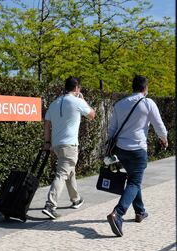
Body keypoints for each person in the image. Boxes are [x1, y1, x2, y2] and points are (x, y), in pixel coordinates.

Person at [106, 75, 168, 237]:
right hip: (138, 150)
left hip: (121, 149)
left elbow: (111, 129)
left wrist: (109, 148)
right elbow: (159, 126)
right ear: (145, 88)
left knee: (133, 178)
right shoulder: (148, 103)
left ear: (132, 87)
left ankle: (140, 211)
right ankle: (118, 214)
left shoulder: (120, 104)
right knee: (134, 181)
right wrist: (164, 140)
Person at [42, 76, 96, 219]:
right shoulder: (77, 102)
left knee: (69, 171)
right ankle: (50, 205)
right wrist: (83, 99)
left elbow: (46, 123)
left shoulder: (54, 103)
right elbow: (92, 115)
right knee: (62, 174)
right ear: (77, 88)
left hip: (56, 145)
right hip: (70, 145)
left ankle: (76, 199)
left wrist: (47, 142)